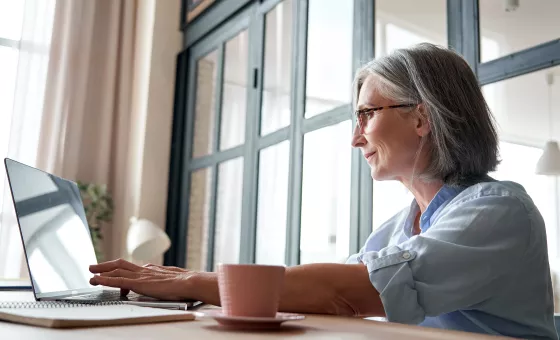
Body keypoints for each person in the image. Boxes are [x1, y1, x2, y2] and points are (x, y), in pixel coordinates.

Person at [89, 43, 557, 339]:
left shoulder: (500, 211)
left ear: (422, 117)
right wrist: (190, 284)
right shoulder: (398, 227)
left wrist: (192, 283)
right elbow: (326, 292)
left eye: (366, 115)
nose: (356, 139)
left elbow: (349, 291)